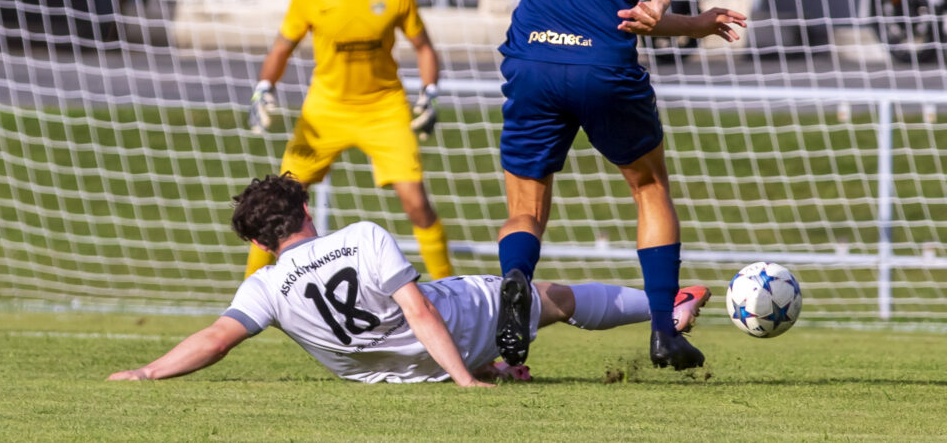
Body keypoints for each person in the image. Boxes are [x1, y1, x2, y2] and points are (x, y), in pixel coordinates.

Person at [494, 0, 747, 371]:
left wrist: (694, 24)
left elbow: (611, 9)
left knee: (526, 202)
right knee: (648, 186)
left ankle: (515, 279)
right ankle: (664, 329)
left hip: (530, 57)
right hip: (601, 65)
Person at [108, 174, 711, 385]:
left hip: (396, 373)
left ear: (262, 243)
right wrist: (463, 380)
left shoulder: (262, 287)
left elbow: (215, 339)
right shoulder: (361, 234)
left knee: (454, 321)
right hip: (457, 329)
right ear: (307, 213)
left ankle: (493, 362)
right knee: (549, 297)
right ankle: (668, 308)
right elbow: (419, 309)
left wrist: (148, 371)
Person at [245, 0, 452, 281]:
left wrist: (430, 92)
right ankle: (248, 295)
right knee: (278, 202)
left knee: (417, 204)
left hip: (384, 108)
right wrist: (264, 88)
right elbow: (281, 47)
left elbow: (424, 47)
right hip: (325, 110)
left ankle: (450, 288)